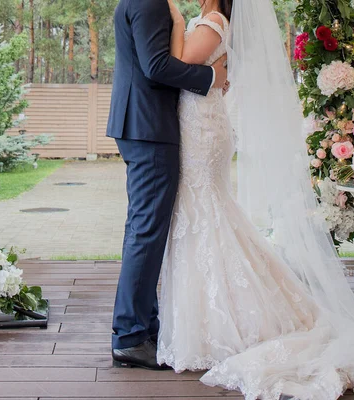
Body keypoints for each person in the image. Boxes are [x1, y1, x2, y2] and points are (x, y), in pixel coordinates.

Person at [155, 0, 354, 398]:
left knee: (206, 213)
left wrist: (174, 21)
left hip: (201, 131)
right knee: (205, 214)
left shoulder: (213, 20)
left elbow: (179, 63)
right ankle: (201, 317)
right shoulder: (207, 20)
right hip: (198, 123)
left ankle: (231, 320)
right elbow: (196, 69)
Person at [106, 0, 228, 370]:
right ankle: (129, 336)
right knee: (146, 231)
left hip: (141, 124)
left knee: (144, 229)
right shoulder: (150, 1)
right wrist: (210, 79)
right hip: (149, 127)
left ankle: (144, 326)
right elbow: (155, 65)